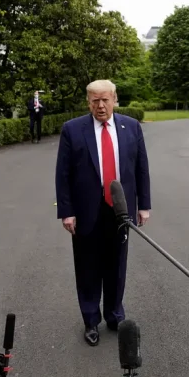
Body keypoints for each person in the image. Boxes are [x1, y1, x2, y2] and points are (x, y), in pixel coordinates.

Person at [54, 79, 151, 347]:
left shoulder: (130, 127)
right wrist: (67, 212)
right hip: (86, 211)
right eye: (95, 100)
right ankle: (90, 320)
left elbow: (141, 168)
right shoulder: (73, 130)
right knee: (87, 268)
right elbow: (63, 175)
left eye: (105, 99)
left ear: (114, 99)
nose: (101, 105)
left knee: (117, 266)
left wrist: (143, 205)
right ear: (88, 102)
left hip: (120, 210)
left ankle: (114, 315)